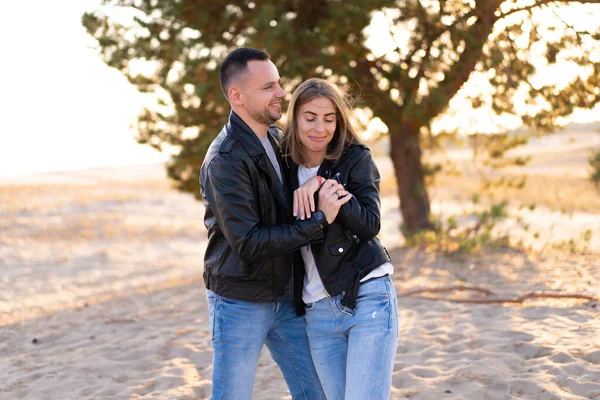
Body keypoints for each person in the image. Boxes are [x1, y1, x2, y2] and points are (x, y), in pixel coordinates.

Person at [200, 48, 349, 399]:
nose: (282, 93)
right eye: (269, 87)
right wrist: (318, 222)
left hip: (286, 296)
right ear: (237, 96)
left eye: (279, 83)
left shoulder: (275, 136)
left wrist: (316, 183)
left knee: (316, 393)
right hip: (240, 302)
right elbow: (249, 243)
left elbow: (316, 171)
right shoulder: (224, 159)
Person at [281, 78, 399, 400]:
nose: (320, 128)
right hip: (317, 311)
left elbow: (370, 225)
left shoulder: (354, 158)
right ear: (295, 118)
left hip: (366, 295)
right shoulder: (283, 166)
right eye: (310, 118)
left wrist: (323, 186)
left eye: (329, 119)